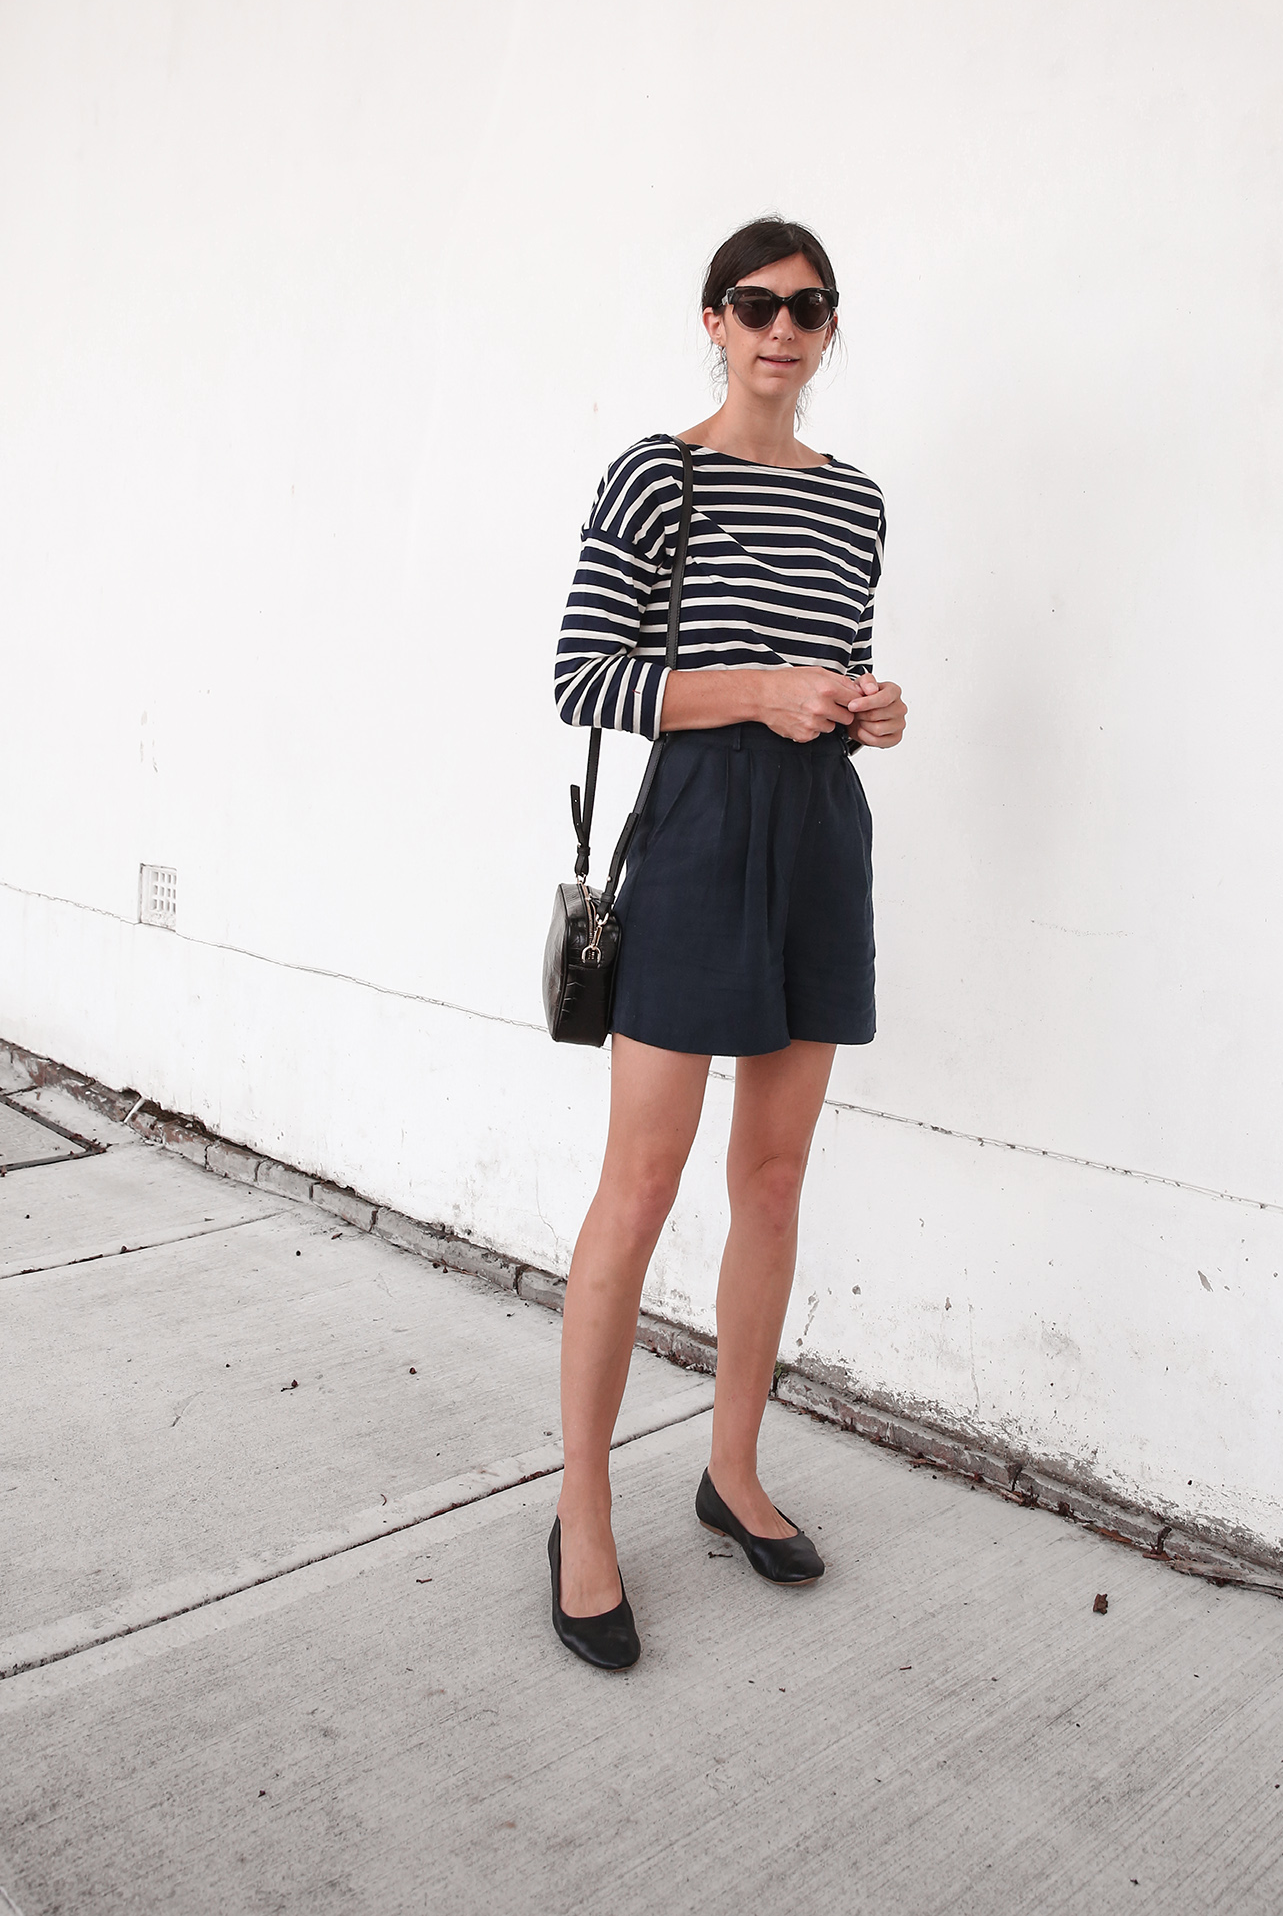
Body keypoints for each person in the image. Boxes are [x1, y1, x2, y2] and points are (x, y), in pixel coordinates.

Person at [547, 216, 907, 1668]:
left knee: (772, 1173)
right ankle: (579, 1510)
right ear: (712, 317)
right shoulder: (659, 473)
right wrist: (756, 686)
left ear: (829, 329)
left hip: (818, 834)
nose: (783, 326)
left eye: (809, 306)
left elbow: (836, 657)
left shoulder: (859, 500)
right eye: (757, 303)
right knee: (640, 1181)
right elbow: (584, 672)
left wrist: (871, 710)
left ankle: (733, 1466)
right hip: (695, 835)